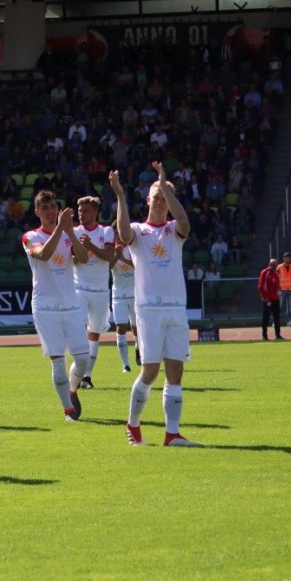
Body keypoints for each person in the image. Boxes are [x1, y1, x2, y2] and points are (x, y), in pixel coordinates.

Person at [113, 163, 202, 447]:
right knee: (150, 371)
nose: (161, 200)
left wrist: (165, 185)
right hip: (149, 309)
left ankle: (172, 434)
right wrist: (120, 196)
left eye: (165, 196)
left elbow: (185, 223)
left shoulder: (175, 230)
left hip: (175, 309)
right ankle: (133, 424)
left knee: (176, 372)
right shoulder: (139, 231)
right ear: (148, 200)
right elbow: (123, 233)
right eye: (157, 196)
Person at [22, 190, 89, 422]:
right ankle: (68, 410)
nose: (50, 211)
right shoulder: (30, 236)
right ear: (37, 212)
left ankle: (72, 389)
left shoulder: (69, 232)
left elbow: (84, 258)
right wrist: (61, 228)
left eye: (53, 207)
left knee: (83, 359)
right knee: (58, 361)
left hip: (71, 304)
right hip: (45, 306)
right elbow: (43, 254)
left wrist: (69, 232)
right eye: (45, 207)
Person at [72, 195, 115, 390]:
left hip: (100, 290)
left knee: (94, 335)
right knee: (78, 329)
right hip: (79, 288)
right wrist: (80, 253)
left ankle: (87, 377)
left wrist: (90, 246)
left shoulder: (106, 231)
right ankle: (77, 371)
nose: (81, 214)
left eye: (86, 211)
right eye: (80, 211)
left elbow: (109, 257)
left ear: (96, 212)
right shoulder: (74, 232)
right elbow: (71, 259)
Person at [110, 227, 139, 372]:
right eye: (115, 233)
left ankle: (138, 347)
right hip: (118, 295)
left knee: (136, 328)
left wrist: (123, 259)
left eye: (119, 232)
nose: (117, 235)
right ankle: (125, 365)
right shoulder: (110, 250)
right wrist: (116, 255)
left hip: (135, 294)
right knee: (120, 328)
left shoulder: (132, 248)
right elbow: (107, 267)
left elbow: (138, 267)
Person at [258, 258, 283, 341]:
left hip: (275, 298)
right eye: (274, 265)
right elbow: (261, 286)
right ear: (270, 265)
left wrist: (279, 290)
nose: (276, 266)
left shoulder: (276, 274)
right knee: (266, 317)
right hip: (268, 299)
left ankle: (278, 335)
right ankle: (264, 336)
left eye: (276, 265)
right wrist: (265, 297)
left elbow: (277, 284)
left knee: (277, 317)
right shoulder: (265, 272)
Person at [277, 252, 291, 326]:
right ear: (283, 258)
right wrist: (278, 288)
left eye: (288, 258)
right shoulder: (279, 267)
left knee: (290, 306)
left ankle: (289, 321)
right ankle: (275, 321)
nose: (287, 259)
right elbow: (276, 278)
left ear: (290, 259)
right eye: (286, 258)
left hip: (290, 289)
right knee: (279, 306)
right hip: (282, 289)